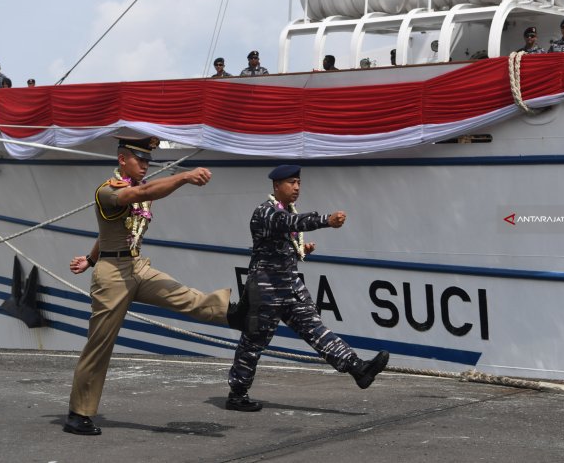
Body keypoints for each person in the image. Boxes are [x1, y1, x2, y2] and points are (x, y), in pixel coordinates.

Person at [63, 128, 244, 435]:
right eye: (139, 159)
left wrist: (89, 257)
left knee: (180, 294)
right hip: (113, 276)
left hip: (136, 265)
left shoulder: (140, 185)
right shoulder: (108, 191)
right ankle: (77, 414)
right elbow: (141, 195)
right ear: (122, 159)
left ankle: (232, 313)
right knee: (100, 345)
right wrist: (184, 177)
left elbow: (111, 229)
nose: (145, 164)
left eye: (148, 159)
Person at [225, 164, 389, 412]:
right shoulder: (266, 212)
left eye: (298, 183)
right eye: (291, 183)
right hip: (267, 291)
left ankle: (357, 368)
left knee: (317, 330)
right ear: (276, 185)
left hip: (290, 289)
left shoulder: (285, 210)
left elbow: (279, 240)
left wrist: (299, 250)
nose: (297, 188)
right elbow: (291, 222)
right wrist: (326, 220)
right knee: (253, 343)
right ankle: (237, 394)